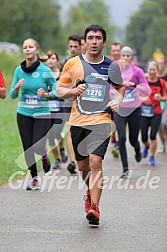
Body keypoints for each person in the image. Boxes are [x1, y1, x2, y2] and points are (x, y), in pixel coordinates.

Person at [57, 24, 125, 226]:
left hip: (102, 121)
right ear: (84, 42)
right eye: (90, 38)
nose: (94, 41)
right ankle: (90, 191)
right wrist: (72, 92)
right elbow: (60, 89)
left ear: (104, 42)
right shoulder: (72, 64)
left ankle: (95, 207)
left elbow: (120, 88)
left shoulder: (111, 66)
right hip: (78, 121)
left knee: (96, 162)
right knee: (83, 167)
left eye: (98, 38)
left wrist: (117, 102)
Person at [10, 38, 57, 190]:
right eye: (25, 47)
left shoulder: (45, 71)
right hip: (23, 113)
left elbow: (57, 91)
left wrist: (46, 95)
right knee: (27, 147)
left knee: (37, 145)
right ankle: (34, 178)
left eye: (30, 47)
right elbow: (11, 95)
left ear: (37, 50)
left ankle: (43, 153)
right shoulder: (18, 71)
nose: (27, 49)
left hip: (42, 113)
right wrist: (16, 87)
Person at [113, 46, 150, 178]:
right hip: (120, 109)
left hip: (135, 109)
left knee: (133, 139)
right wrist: (120, 87)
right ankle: (125, 169)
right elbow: (110, 90)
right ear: (120, 57)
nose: (126, 58)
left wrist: (134, 85)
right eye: (124, 55)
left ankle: (137, 147)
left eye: (128, 55)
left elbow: (146, 90)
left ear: (131, 57)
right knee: (121, 137)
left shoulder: (138, 71)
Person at [60, 34, 82, 174]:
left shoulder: (86, 61)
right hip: (69, 101)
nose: (73, 49)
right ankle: (72, 161)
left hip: (85, 103)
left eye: (76, 46)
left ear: (81, 46)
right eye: (71, 46)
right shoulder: (65, 62)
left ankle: (82, 159)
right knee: (70, 131)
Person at [141, 61, 167, 165]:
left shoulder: (161, 82)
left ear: (157, 70)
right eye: (150, 70)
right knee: (143, 136)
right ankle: (147, 146)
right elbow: (136, 94)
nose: (152, 72)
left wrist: (161, 98)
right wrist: (143, 98)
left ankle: (152, 156)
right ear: (147, 70)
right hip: (144, 111)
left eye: (154, 70)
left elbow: (165, 97)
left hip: (156, 111)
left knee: (152, 135)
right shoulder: (143, 81)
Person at [46, 49, 68, 169]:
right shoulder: (43, 74)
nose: (50, 60)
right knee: (50, 136)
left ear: (57, 60)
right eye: (48, 58)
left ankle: (62, 149)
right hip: (47, 108)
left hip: (60, 107)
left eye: (53, 58)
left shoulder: (62, 74)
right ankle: (57, 159)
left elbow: (63, 90)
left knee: (57, 131)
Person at [108, 42, 122, 158]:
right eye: (114, 50)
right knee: (112, 122)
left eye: (118, 50)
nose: (116, 53)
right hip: (109, 98)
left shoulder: (125, 65)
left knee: (117, 122)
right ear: (111, 51)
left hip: (123, 99)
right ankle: (115, 140)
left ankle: (117, 143)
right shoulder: (107, 63)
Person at [156, 57, 167, 152]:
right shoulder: (152, 75)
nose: (160, 65)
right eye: (158, 63)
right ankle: (163, 144)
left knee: (165, 123)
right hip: (156, 103)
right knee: (159, 126)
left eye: (162, 63)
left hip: (166, 102)